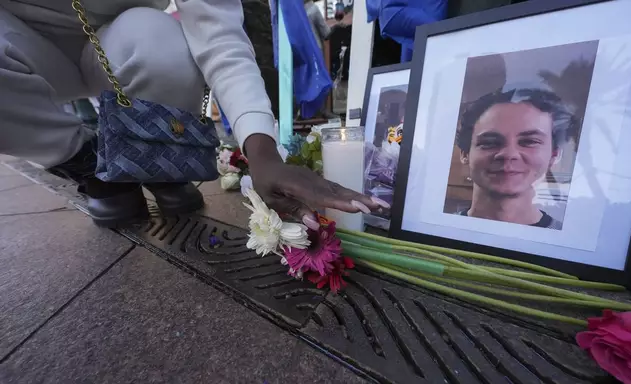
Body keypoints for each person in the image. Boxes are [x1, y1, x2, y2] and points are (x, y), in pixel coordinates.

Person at [0, 0, 389, 228]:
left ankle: (163, 160)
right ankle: (86, 162)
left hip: (111, 45)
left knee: (159, 37)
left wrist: (263, 153)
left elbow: (218, 37)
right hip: (16, 44)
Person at [455, 88, 576, 230]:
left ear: (554, 155)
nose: (509, 154)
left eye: (529, 141)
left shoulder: (569, 246)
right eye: (489, 142)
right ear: (465, 154)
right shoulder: (435, 232)